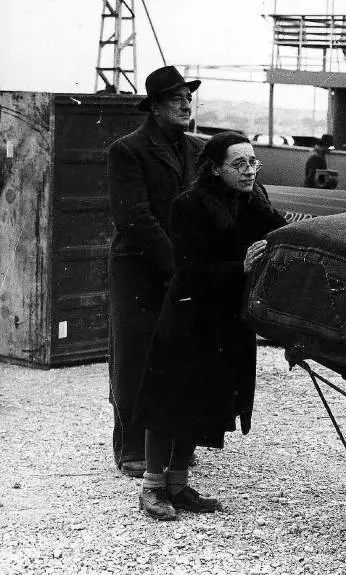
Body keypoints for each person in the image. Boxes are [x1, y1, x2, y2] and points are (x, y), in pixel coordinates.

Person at [134, 132, 286, 520]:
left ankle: (178, 485)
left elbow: (283, 230)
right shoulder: (188, 205)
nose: (249, 170)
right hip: (188, 315)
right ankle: (152, 487)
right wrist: (241, 267)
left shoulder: (253, 201)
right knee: (169, 400)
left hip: (226, 318)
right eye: (240, 164)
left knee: (202, 400)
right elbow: (187, 270)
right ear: (216, 169)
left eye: (253, 162)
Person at [107, 65, 204, 478]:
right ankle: (131, 448)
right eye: (177, 98)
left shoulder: (197, 150)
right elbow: (135, 219)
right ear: (155, 107)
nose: (186, 104)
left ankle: (174, 446)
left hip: (182, 269)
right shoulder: (127, 150)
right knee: (135, 358)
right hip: (139, 270)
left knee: (180, 355)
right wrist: (177, 263)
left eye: (188, 97)